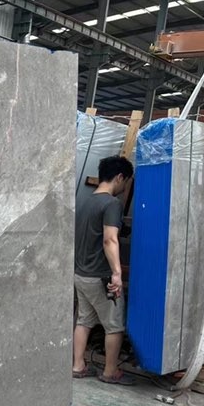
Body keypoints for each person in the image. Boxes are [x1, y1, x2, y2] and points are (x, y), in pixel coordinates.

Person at [72, 155, 135, 385]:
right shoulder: (112, 204)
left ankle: (78, 365)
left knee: (84, 320)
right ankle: (110, 372)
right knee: (114, 325)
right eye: (126, 182)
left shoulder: (84, 201)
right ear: (119, 177)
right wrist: (117, 274)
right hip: (100, 277)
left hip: (80, 274)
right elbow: (110, 240)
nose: (125, 187)